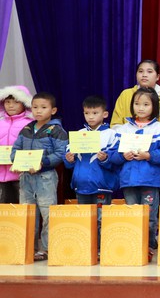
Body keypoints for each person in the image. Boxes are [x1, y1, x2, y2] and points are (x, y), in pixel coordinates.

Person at [109, 88, 160, 258]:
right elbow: (112, 155)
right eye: (137, 104)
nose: (141, 108)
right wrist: (123, 156)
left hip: (149, 180)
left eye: (146, 104)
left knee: (150, 216)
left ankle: (149, 246)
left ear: (154, 106)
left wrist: (149, 155)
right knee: (132, 214)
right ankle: (134, 246)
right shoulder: (122, 129)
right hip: (128, 181)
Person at [12, 92, 68, 261]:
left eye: (43, 107)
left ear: (53, 110)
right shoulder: (27, 129)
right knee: (27, 212)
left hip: (46, 176)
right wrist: (17, 161)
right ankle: (29, 247)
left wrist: (42, 162)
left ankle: (47, 248)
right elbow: (15, 149)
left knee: (48, 212)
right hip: (26, 177)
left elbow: (60, 153)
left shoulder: (57, 130)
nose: (38, 111)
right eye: (35, 107)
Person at [63, 95, 118, 246]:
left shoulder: (111, 134)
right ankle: (86, 248)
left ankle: (101, 248)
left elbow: (117, 159)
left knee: (101, 218)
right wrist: (69, 159)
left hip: (101, 185)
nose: (91, 117)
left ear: (105, 114)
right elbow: (68, 160)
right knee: (84, 219)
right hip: (81, 185)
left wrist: (106, 158)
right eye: (87, 113)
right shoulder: (79, 134)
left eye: (95, 113)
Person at [111, 60, 160, 130]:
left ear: (157, 77)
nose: (144, 75)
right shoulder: (125, 95)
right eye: (140, 71)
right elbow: (115, 124)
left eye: (149, 72)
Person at [0, 86, 33, 204]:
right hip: (1, 176)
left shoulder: (31, 124)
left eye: (16, 102)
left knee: (24, 208)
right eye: (7, 102)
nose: (11, 105)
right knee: (4, 209)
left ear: (24, 103)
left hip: (22, 175)